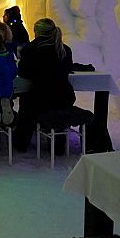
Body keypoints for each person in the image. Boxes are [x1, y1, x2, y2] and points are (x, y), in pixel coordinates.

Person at [12, 18, 75, 153]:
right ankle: (59, 144)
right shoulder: (65, 50)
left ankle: (21, 142)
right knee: (35, 103)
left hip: (41, 98)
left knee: (27, 104)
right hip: (65, 97)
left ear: (37, 32)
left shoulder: (31, 50)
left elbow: (23, 73)